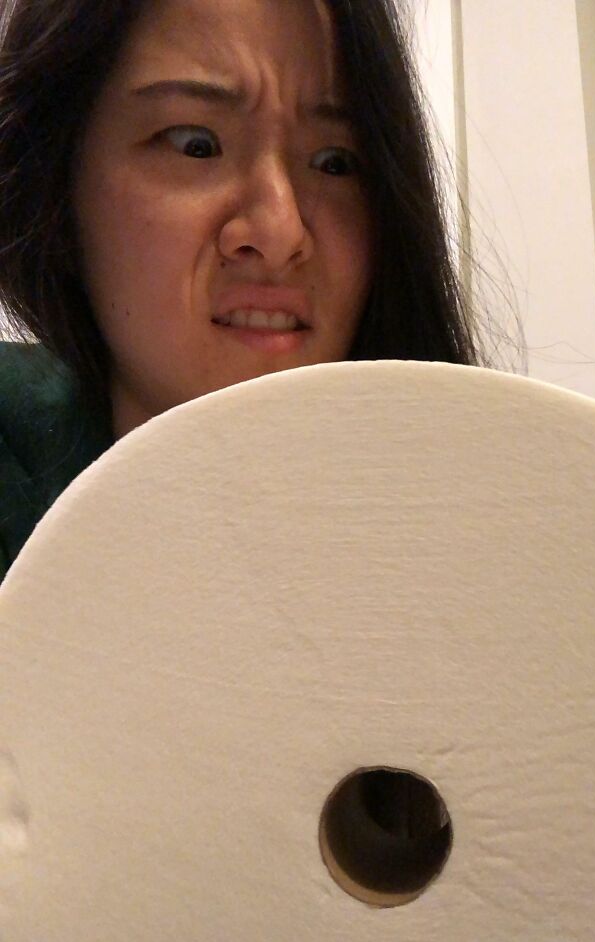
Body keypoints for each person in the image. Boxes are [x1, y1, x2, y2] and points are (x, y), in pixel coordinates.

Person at [0, 0, 523, 584]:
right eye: (196, 144)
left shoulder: (497, 541)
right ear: (54, 193)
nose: (280, 231)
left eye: (334, 162)